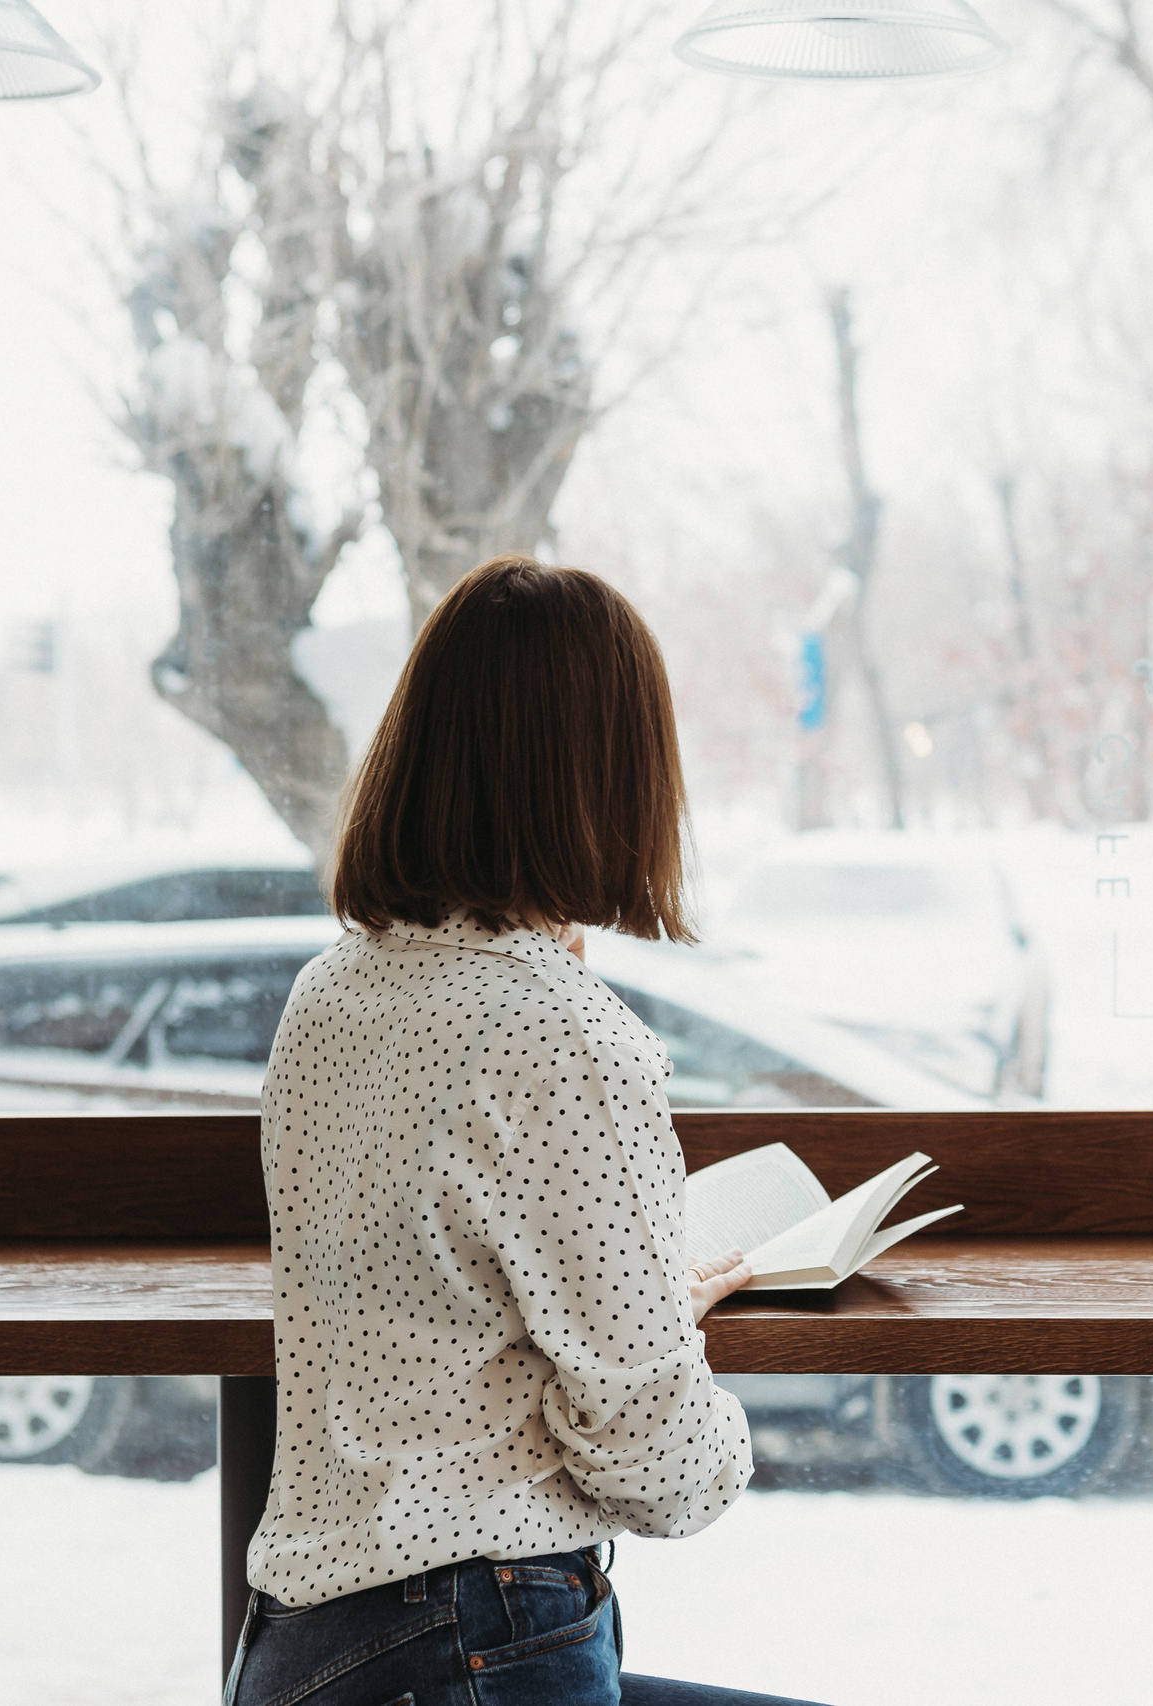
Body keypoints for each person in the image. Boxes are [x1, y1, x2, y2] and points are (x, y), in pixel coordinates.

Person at [227, 556, 828, 1706]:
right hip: (470, 1638)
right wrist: (687, 1391)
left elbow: (440, 1284)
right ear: (615, 774)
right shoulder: (560, 1036)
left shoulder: (335, 991)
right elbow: (659, 1463)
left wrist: (635, 1300)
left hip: (308, 1647)